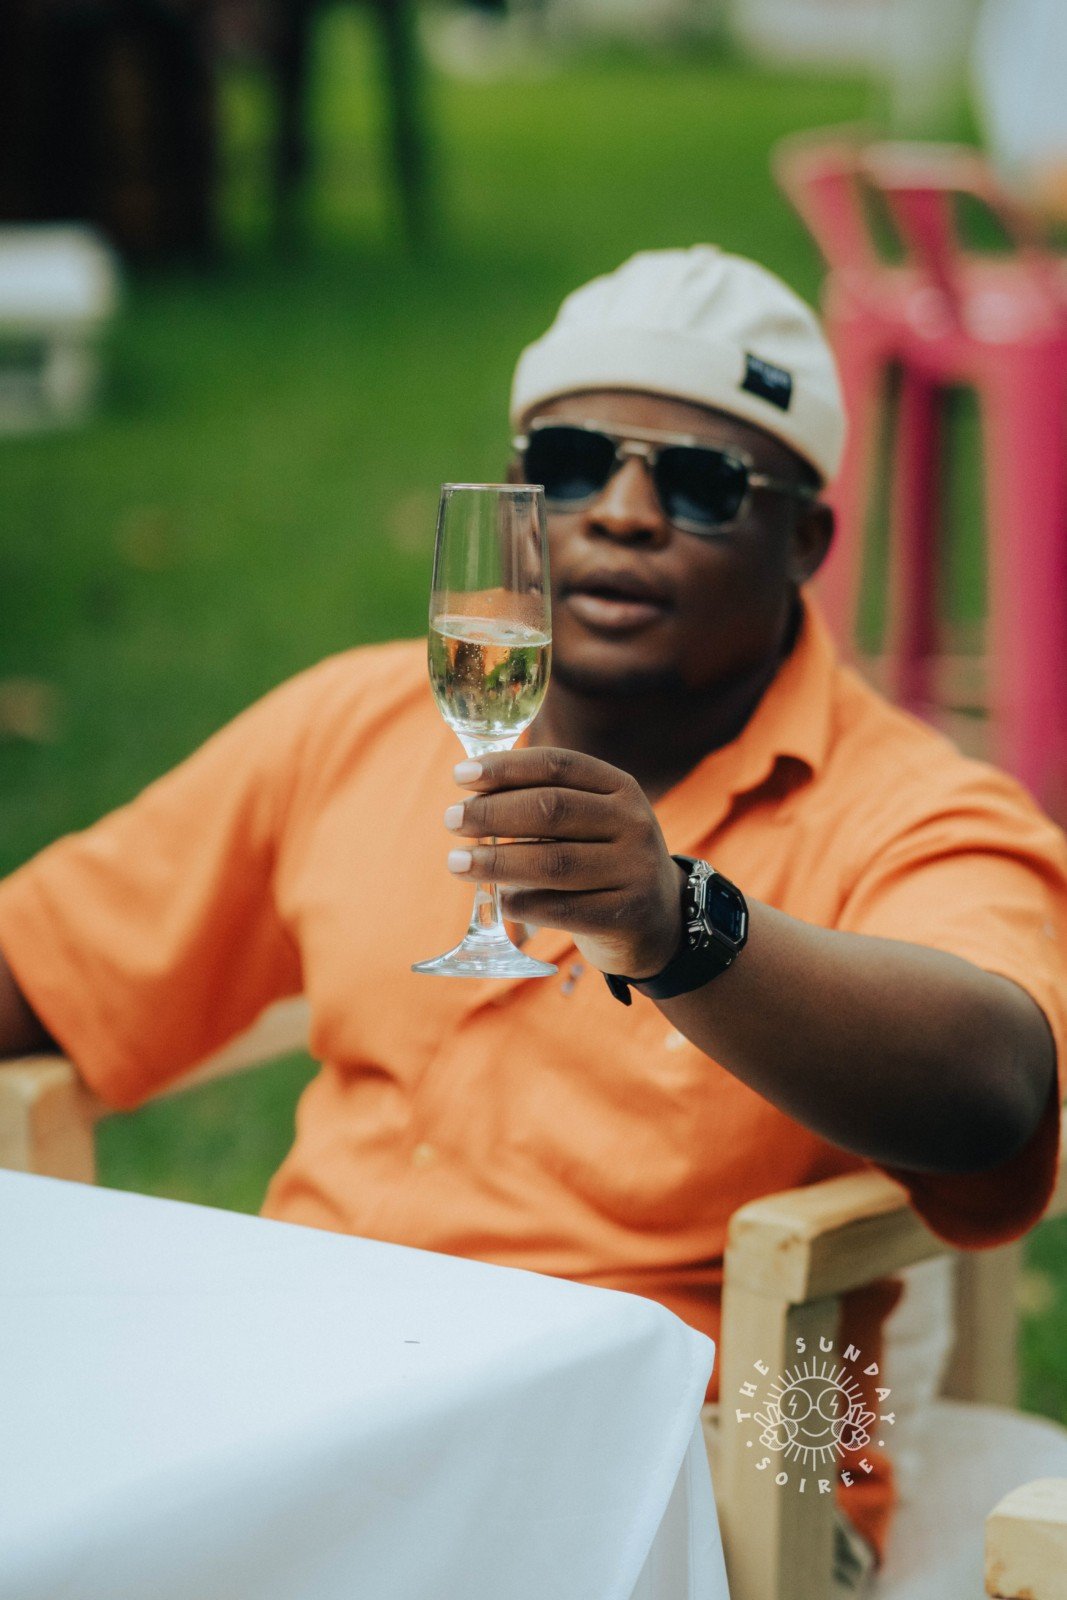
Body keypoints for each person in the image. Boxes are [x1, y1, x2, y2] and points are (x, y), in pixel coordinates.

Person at [1, 247, 1064, 1594]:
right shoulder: (356, 723)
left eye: (700, 484)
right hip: (307, 1406)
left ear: (805, 540)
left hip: (705, 1472)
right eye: (570, 463)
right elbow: (41, 965)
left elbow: (996, 1092)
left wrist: (682, 927)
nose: (621, 513)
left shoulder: (913, 807)